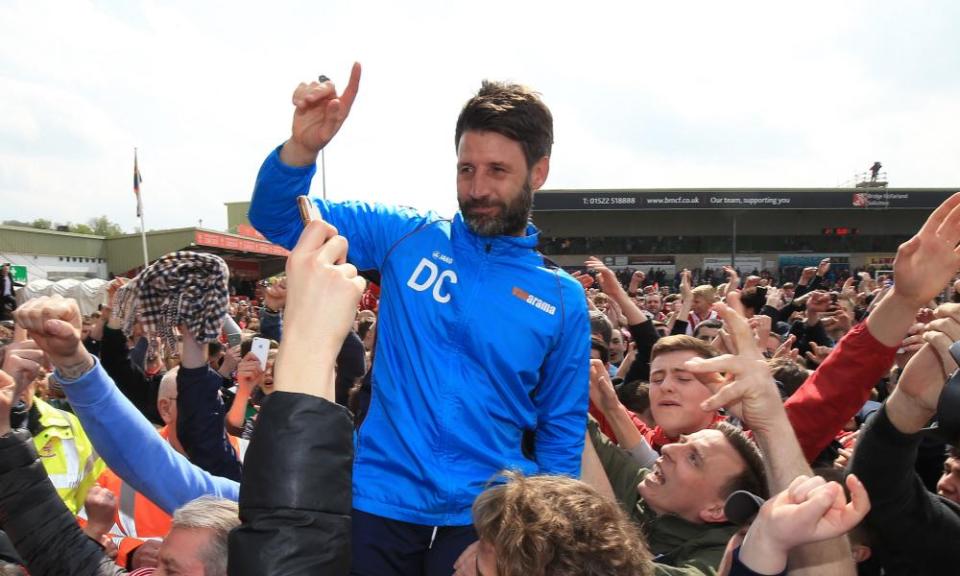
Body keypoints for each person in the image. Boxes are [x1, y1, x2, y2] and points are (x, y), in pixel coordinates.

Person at [248, 65, 590, 574]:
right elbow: (276, 217)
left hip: (486, 518)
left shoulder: (563, 300)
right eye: (465, 168)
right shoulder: (406, 237)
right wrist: (302, 150)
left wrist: (545, 539)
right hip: (377, 501)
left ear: (538, 173)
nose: (476, 188)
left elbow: (561, 434)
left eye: (497, 171)